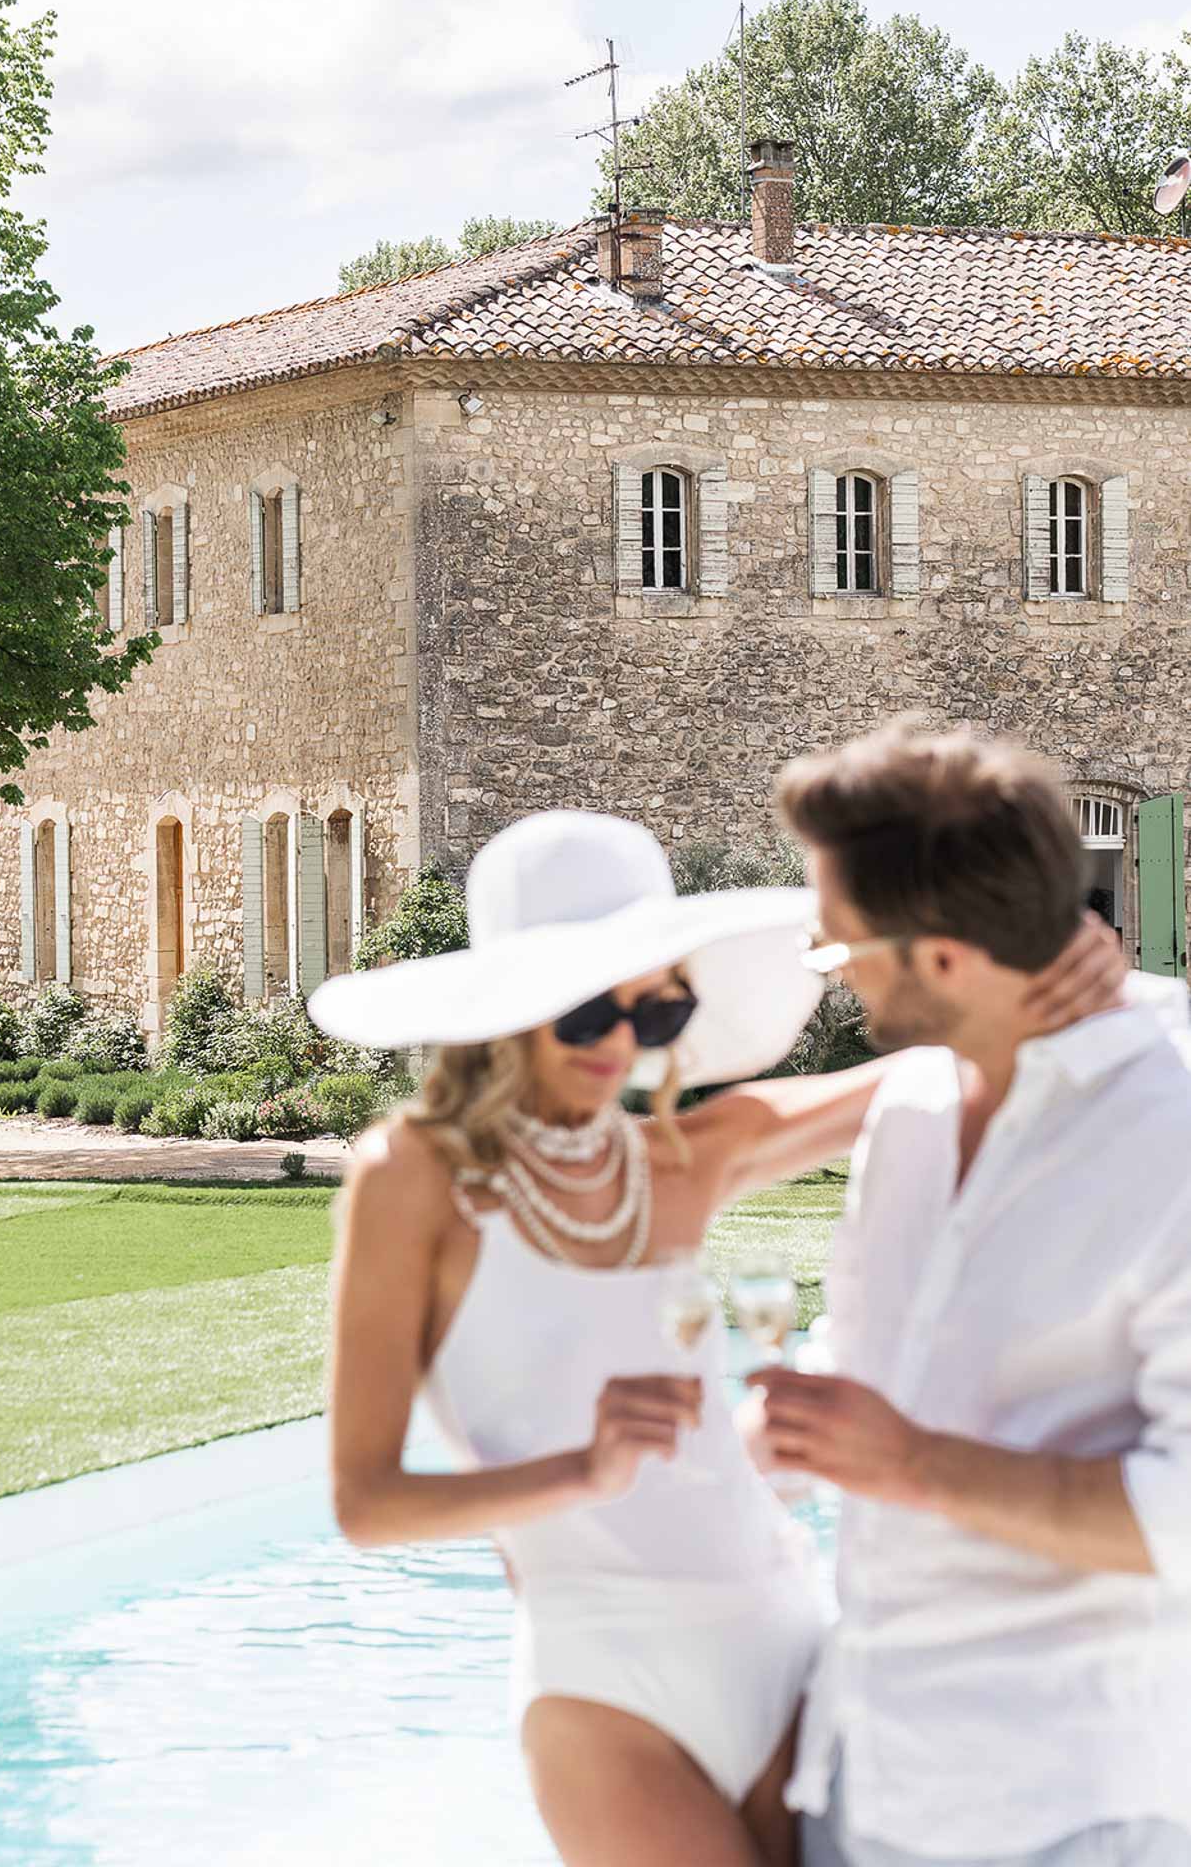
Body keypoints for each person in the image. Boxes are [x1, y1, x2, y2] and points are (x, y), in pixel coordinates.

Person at [310, 807, 1121, 1867]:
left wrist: (1055, 978)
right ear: (514, 1006)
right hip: (602, 1681)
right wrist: (583, 1467)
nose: (618, 1046)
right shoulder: (413, 1178)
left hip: (785, 1642)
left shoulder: (682, 1160)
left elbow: (951, 1069)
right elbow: (367, 1504)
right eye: (592, 1010)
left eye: (655, 1015)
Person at [742, 721, 1191, 1867]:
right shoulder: (914, 1108)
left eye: (839, 948)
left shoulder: (1170, 1132)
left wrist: (910, 1463)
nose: (832, 971)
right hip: (871, 1776)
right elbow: (887, 1366)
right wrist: (795, 1428)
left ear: (941, 960)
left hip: (1071, 1807)